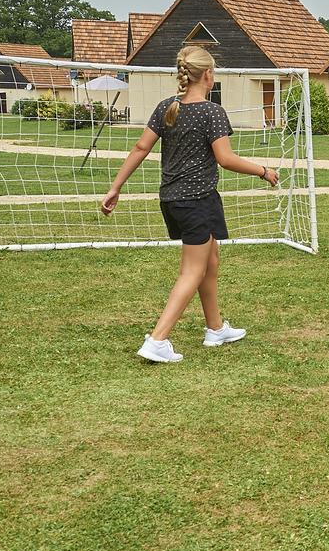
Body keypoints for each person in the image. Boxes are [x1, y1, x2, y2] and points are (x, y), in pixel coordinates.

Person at [100, 46, 278, 363]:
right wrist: (263, 171)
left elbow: (141, 147)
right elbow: (225, 159)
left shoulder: (166, 107)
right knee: (192, 271)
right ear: (208, 75)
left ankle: (216, 328)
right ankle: (157, 340)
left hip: (171, 199)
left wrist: (115, 188)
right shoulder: (211, 112)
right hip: (196, 200)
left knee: (210, 262)